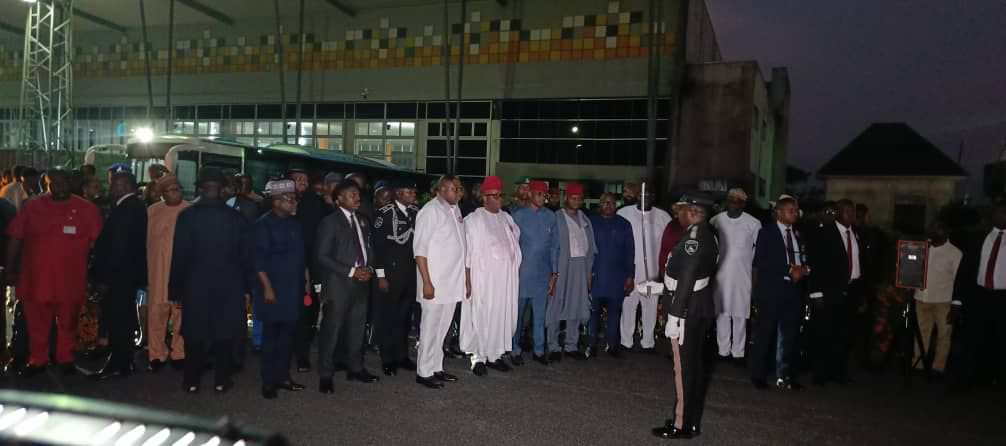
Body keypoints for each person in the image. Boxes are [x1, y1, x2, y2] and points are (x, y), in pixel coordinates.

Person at [5, 168, 102, 376]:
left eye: (64, 182)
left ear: (71, 182)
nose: (60, 187)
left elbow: (97, 243)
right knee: (36, 323)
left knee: (69, 322)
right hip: (36, 279)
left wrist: (96, 274)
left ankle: (65, 359)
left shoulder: (87, 209)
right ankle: (37, 360)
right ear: (47, 184)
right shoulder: (32, 207)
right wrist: (9, 268)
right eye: (55, 183)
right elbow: (15, 237)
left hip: (71, 280)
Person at [169, 167, 254, 394]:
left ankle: (191, 381)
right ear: (222, 189)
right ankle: (221, 380)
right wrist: (247, 289)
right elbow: (246, 257)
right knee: (224, 333)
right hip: (229, 285)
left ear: (199, 189)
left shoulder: (187, 216)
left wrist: (175, 291)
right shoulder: (236, 218)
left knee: (194, 333)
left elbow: (179, 256)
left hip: (194, 285)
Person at [652, 191, 718, 440]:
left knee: (684, 370)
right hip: (698, 306)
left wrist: (675, 316)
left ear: (691, 211)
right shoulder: (707, 233)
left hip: (686, 310)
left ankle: (681, 424)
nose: (677, 214)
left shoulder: (694, 238)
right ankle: (691, 421)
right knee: (694, 367)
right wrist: (660, 287)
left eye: (680, 209)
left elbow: (688, 277)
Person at [316, 180, 380, 393]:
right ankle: (325, 374)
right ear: (339, 199)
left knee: (357, 329)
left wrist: (369, 268)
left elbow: (369, 249)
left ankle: (356, 368)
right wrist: (352, 271)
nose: (357, 197)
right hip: (338, 285)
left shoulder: (362, 220)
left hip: (361, 284)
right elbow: (322, 256)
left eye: (358, 194)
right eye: (352, 194)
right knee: (331, 330)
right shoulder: (330, 222)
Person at [460, 176, 522, 375]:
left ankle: (495, 355)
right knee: (481, 316)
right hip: (482, 280)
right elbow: (466, 253)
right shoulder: (473, 220)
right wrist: (467, 281)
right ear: (484, 197)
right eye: (494, 195)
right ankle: (478, 358)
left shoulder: (507, 218)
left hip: (505, 281)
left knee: (500, 316)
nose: (499, 199)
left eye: (500, 195)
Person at [91, 172, 148, 380]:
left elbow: (119, 247)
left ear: (124, 186)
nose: (110, 189)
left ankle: (118, 362)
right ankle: (124, 362)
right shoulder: (133, 206)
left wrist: (105, 279)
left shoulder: (127, 208)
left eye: (113, 185)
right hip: (125, 275)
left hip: (118, 276)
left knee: (117, 320)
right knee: (123, 319)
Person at [255, 179, 308, 399]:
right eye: (290, 199)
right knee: (271, 338)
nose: (295, 203)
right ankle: (269, 382)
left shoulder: (296, 224)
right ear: (277, 201)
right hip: (273, 290)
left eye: (295, 199)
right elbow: (257, 262)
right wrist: (267, 288)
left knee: (287, 337)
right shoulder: (263, 225)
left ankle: (283, 377)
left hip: (293, 289)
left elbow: (301, 257)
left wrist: (306, 281)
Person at [750, 197, 808, 390]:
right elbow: (762, 261)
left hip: (793, 291)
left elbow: (805, 257)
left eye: (796, 210)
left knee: (790, 335)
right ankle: (758, 375)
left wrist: (805, 269)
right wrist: (789, 270)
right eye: (791, 210)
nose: (795, 213)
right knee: (765, 333)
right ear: (779, 213)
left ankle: (785, 376)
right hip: (771, 291)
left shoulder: (799, 234)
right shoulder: (766, 233)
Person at [413, 175, 466, 388]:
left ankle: (436, 367)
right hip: (434, 283)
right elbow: (420, 251)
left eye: (460, 189)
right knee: (430, 329)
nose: (459, 192)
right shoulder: (430, 211)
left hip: (451, 283)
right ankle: (424, 372)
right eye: (455, 189)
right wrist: (426, 282)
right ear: (442, 189)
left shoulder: (455, 209)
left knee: (442, 329)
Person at [950, 198, 1006, 390]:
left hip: (1003, 298)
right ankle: (967, 380)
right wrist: (957, 302)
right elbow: (964, 271)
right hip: (979, 296)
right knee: (972, 339)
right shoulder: (978, 239)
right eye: (1000, 212)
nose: (1002, 216)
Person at [806, 199, 862, 386]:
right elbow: (816, 263)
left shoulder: (857, 233)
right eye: (848, 211)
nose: (852, 215)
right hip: (829, 290)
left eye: (853, 212)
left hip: (852, 289)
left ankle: (838, 372)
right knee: (824, 332)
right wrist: (816, 293)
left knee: (844, 334)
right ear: (838, 213)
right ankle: (820, 374)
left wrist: (861, 293)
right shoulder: (824, 233)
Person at [372, 181, 420, 376]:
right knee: (389, 317)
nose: (414, 194)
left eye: (414, 191)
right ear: (399, 193)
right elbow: (378, 247)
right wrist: (381, 276)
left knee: (405, 317)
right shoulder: (385, 214)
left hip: (410, 273)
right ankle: (388, 358)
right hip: (391, 273)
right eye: (410, 191)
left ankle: (402, 356)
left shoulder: (415, 212)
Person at [617, 184, 672, 352]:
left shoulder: (662, 216)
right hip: (630, 274)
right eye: (642, 194)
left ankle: (647, 342)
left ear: (654, 197)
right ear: (636, 195)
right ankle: (626, 341)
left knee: (649, 308)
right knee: (628, 307)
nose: (645, 198)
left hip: (651, 276)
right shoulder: (624, 213)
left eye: (648, 195)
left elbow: (669, 245)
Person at [710, 188, 761, 363]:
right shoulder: (716, 220)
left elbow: (758, 251)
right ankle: (723, 351)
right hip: (721, 275)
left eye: (738, 202)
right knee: (722, 313)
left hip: (743, 276)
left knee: (740, 315)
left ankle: (738, 353)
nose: (733, 204)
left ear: (743, 204)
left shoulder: (753, 223)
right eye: (731, 200)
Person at [510, 180, 559, 365]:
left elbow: (554, 246)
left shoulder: (550, 217)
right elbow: (511, 246)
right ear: (530, 194)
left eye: (544, 195)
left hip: (542, 275)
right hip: (522, 274)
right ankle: (515, 350)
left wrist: (554, 273)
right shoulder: (518, 216)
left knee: (540, 316)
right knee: (518, 316)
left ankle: (539, 351)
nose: (542, 198)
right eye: (539, 194)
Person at [145, 174, 189, 373]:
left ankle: (179, 353)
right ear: (162, 194)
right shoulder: (152, 212)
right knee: (156, 314)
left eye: (178, 189)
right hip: (157, 274)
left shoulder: (190, 210)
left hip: (182, 274)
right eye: (172, 190)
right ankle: (157, 354)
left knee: (181, 315)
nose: (177, 193)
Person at [546, 182, 595, 361]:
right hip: (562, 267)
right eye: (573, 198)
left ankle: (571, 345)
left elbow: (591, 248)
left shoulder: (585, 219)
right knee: (556, 304)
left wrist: (589, 273)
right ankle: (553, 346)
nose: (576, 201)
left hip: (581, 267)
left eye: (579, 199)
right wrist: (554, 272)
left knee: (577, 304)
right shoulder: (556, 217)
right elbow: (552, 247)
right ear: (566, 198)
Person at [289, 167, 331, 372]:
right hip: (285, 271)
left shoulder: (315, 203)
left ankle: (302, 355)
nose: (303, 182)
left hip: (311, 269)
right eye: (298, 179)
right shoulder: (277, 204)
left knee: (308, 314)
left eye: (305, 179)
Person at [588, 193, 634, 358]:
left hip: (617, 277)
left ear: (616, 205)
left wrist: (630, 275)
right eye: (605, 203)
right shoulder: (591, 222)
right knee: (592, 313)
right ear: (600, 204)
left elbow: (630, 252)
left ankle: (612, 345)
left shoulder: (624, 224)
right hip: (596, 276)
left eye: (612, 203)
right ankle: (591, 344)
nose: (609, 206)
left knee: (614, 313)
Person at [912, 221, 960, 376]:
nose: (933, 231)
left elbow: (959, 280)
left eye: (938, 229)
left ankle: (938, 368)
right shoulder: (922, 248)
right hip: (921, 298)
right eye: (932, 228)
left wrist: (956, 304)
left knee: (943, 335)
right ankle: (918, 365)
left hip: (943, 301)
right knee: (921, 333)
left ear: (946, 232)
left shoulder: (955, 253)